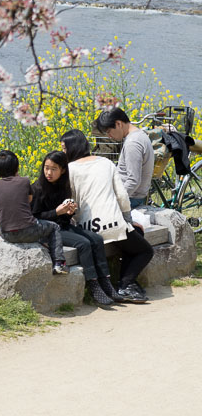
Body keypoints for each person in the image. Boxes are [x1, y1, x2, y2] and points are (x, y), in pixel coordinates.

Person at [59, 129, 153, 303]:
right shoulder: (105, 162)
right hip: (115, 225)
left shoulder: (69, 170)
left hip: (89, 230)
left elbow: (71, 203)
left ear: (72, 148)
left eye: (64, 149)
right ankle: (125, 284)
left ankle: (125, 286)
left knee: (133, 242)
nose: (62, 153)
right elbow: (123, 197)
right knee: (145, 250)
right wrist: (128, 221)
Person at [32, 150, 119, 306]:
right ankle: (94, 285)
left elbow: (63, 218)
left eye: (53, 169)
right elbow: (35, 218)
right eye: (46, 168)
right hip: (49, 231)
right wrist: (57, 212)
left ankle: (105, 281)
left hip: (63, 227)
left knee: (97, 239)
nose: (48, 173)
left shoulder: (64, 187)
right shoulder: (37, 188)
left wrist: (69, 212)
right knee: (83, 244)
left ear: (63, 170)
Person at [0, 149, 67, 273]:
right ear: (17, 168)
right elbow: (29, 200)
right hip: (29, 230)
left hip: (7, 234)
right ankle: (59, 263)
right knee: (54, 228)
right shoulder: (24, 181)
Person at [95, 107, 154, 208]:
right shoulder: (139, 135)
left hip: (131, 199)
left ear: (118, 124)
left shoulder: (133, 143)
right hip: (132, 197)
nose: (109, 136)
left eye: (109, 131)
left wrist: (114, 200)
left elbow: (133, 180)